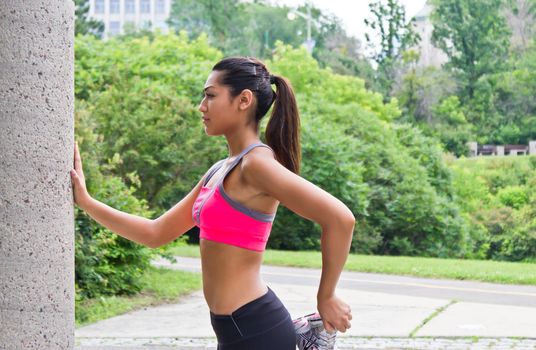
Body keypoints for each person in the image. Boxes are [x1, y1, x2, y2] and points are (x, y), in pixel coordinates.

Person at [70, 56, 355, 349]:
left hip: (257, 330)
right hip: (234, 332)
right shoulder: (220, 170)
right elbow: (155, 233)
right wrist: (87, 202)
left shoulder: (256, 165)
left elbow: (340, 219)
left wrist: (326, 295)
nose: (201, 106)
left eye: (210, 95)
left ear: (243, 100)